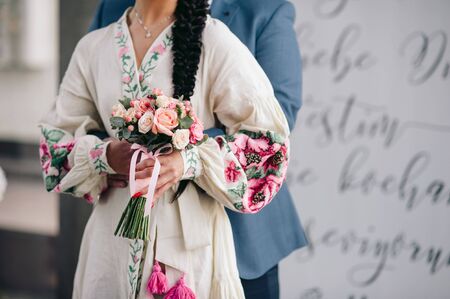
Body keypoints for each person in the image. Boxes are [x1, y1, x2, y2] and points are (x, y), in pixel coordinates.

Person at [38, 0, 297, 298]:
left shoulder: (215, 40)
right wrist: (105, 156)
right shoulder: (93, 47)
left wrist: (189, 160)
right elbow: (55, 142)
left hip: (186, 248)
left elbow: (268, 141)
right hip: (110, 242)